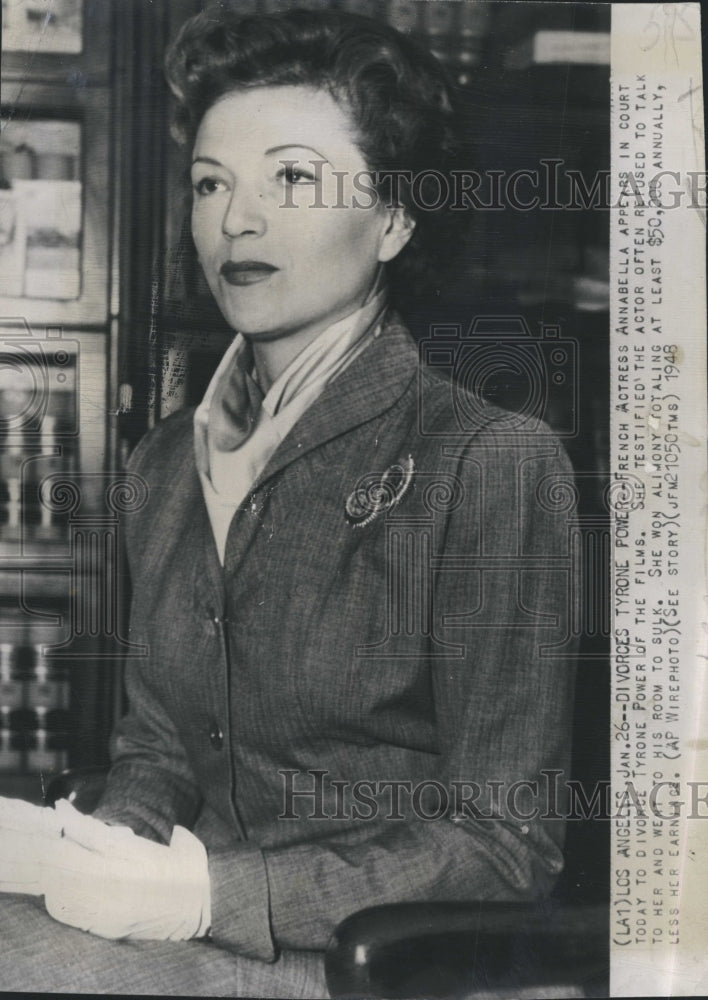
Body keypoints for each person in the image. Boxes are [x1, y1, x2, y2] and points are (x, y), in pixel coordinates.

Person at [0, 7, 577, 996]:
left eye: (294, 178)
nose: (239, 219)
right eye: (211, 184)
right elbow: (153, 752)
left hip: (362, 964)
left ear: (394, 219)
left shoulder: (488, 461)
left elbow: (505, 845)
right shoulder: (165, 467)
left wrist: (207, 894)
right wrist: (89, 851)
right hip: (175, 936)